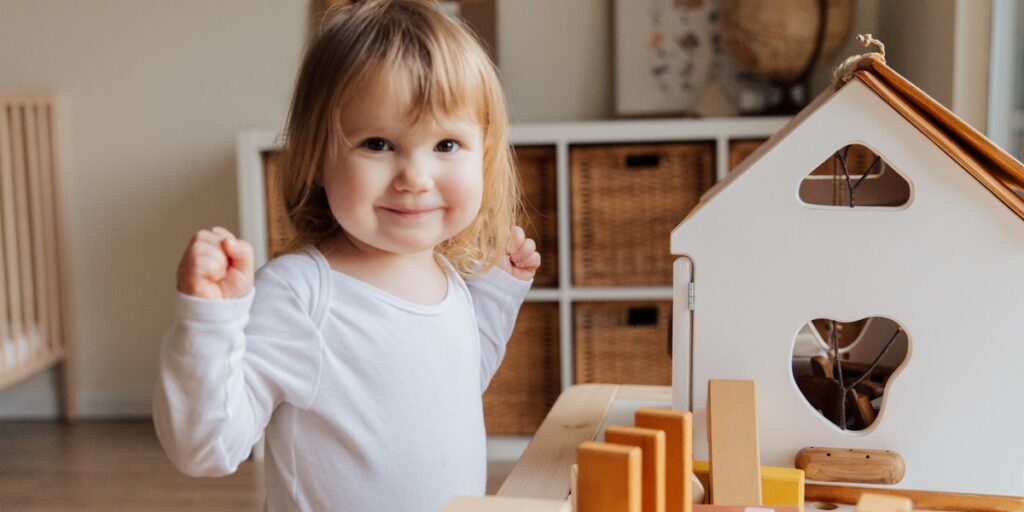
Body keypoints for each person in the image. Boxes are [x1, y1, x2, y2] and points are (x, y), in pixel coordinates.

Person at [152, 1, 540, 510]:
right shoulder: (300, 295)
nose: (415, 178)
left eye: (446, 145)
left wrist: (494, 295)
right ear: (316, 156)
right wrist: (208, 322)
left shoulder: (445, 276)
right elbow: (208, 447)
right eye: (378, 143)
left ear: (483, 157)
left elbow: (457, 387)